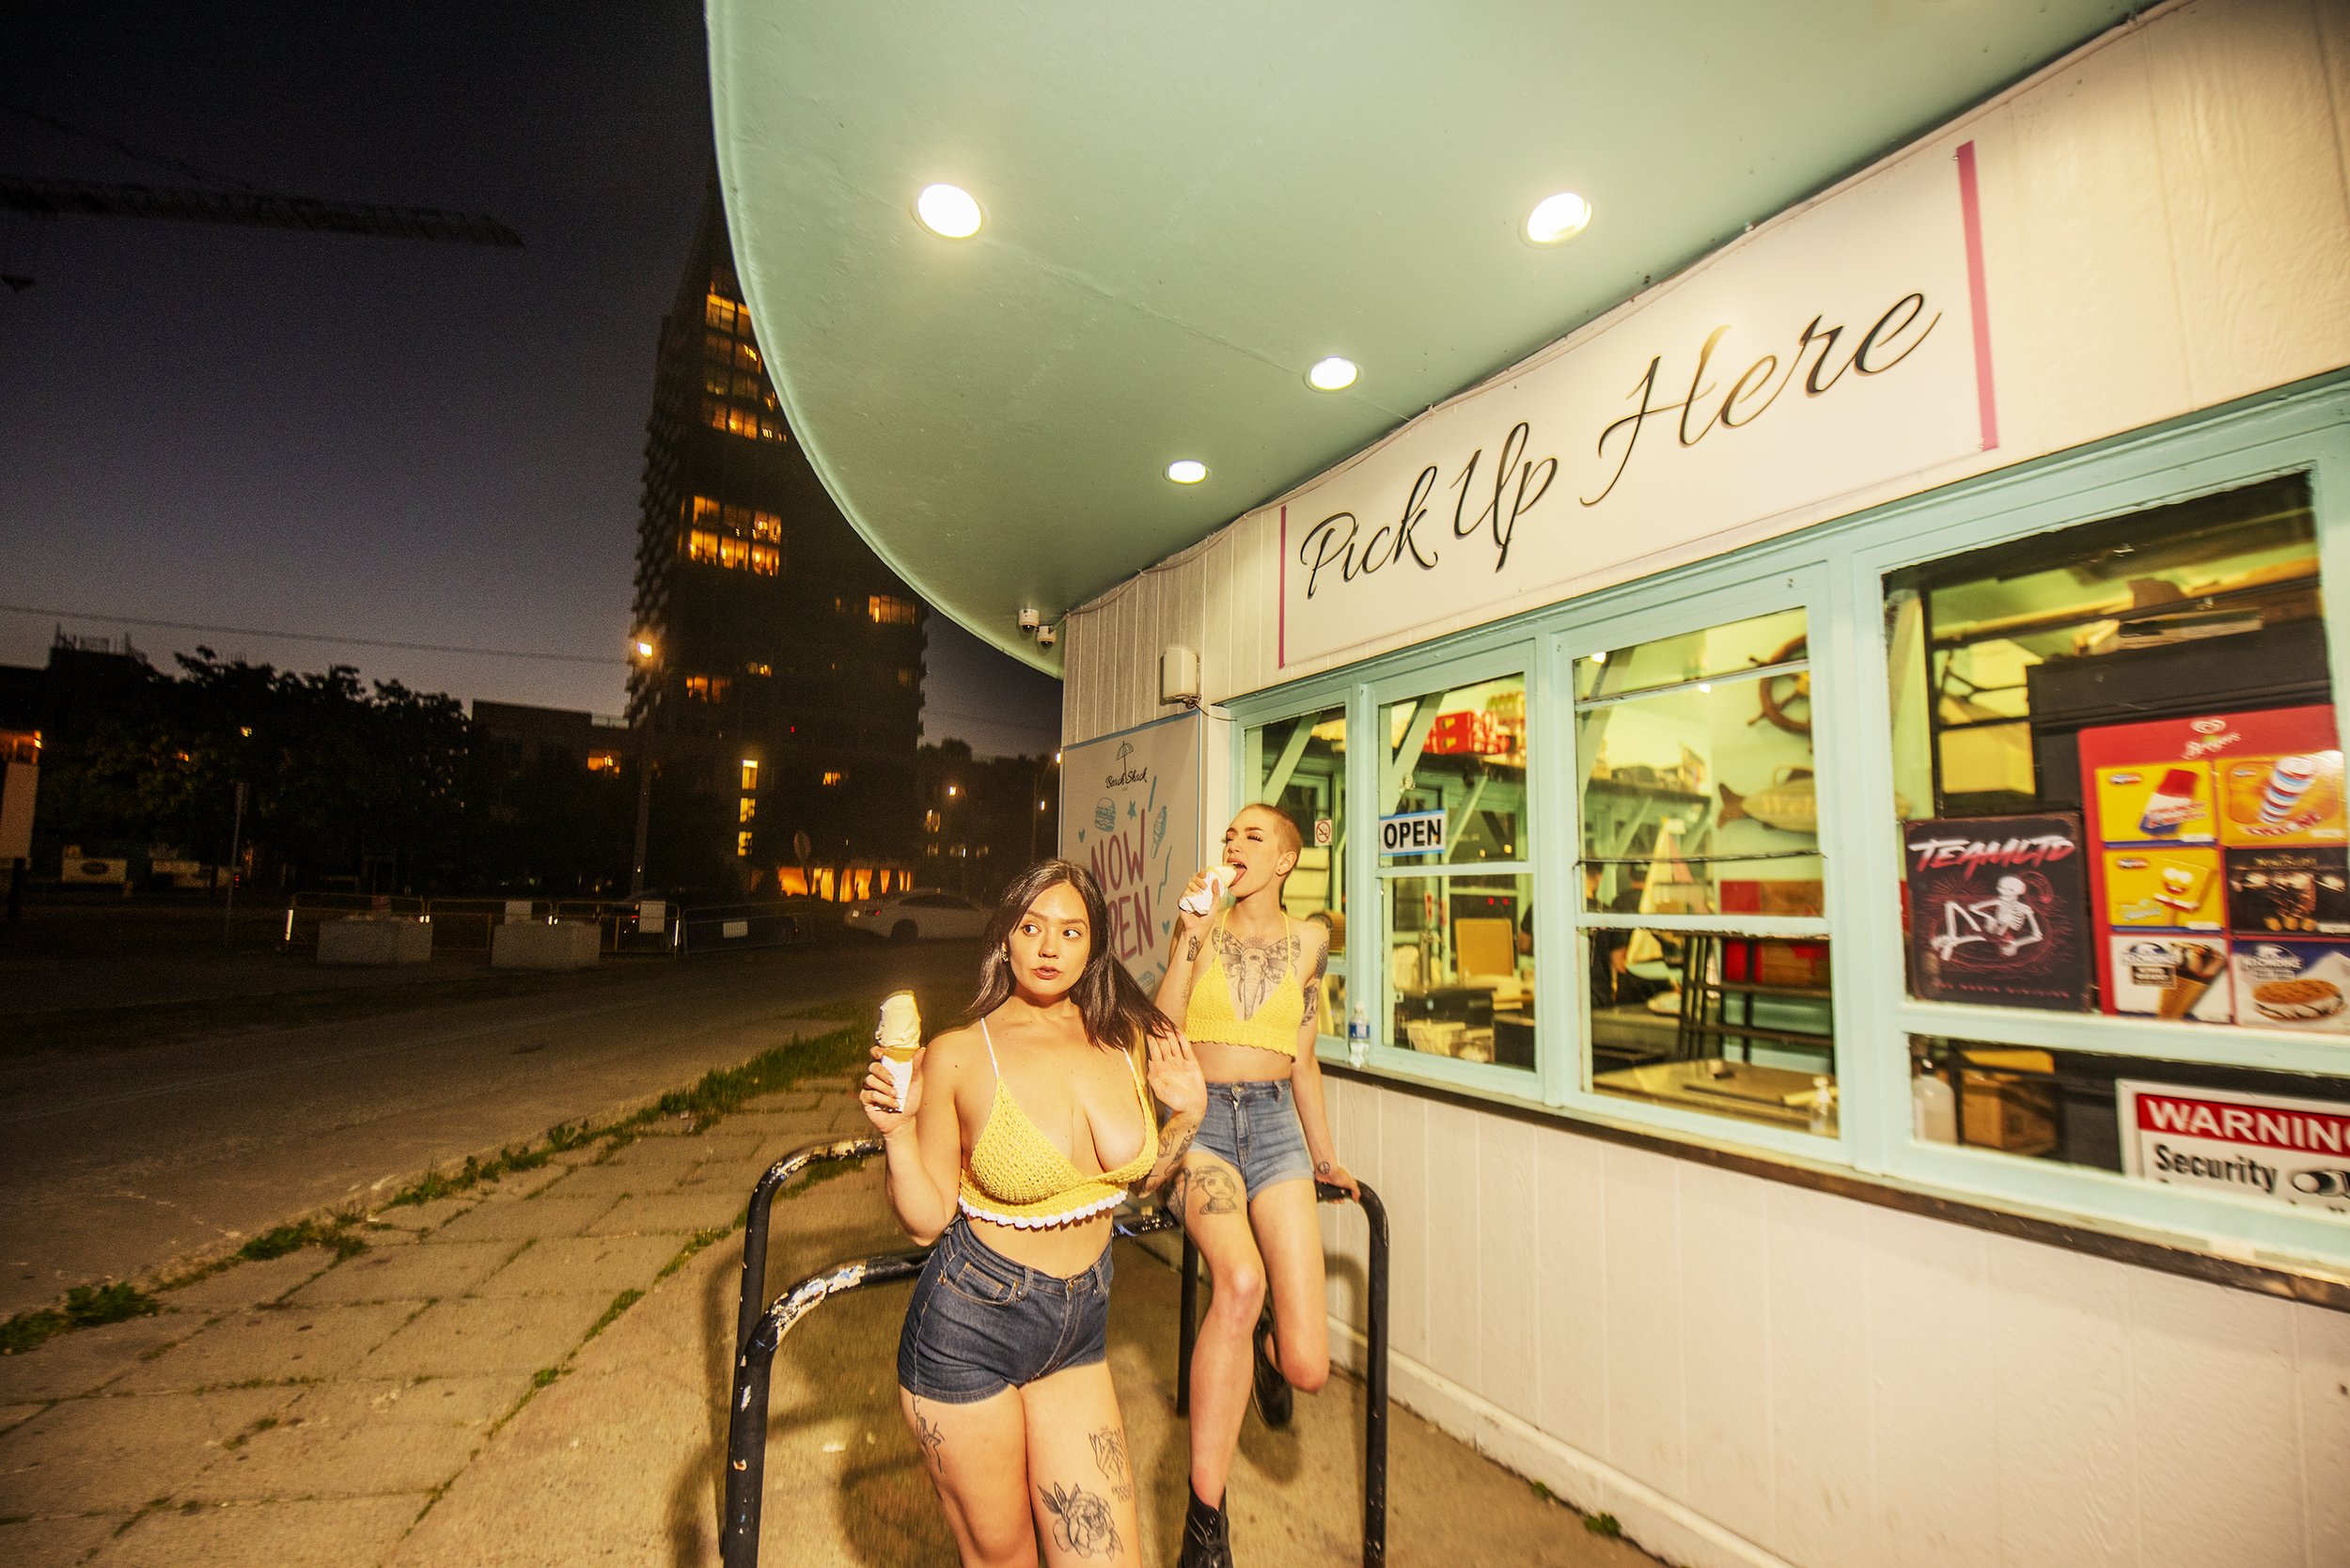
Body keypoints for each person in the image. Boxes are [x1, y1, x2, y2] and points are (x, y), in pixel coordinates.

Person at [862, 859, 1207, 1568]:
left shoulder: (1121, 1041)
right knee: (1004, 1557)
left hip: (1080, 1331)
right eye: (1032, 927)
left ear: (1093, 947)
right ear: (1005, 940)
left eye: (1071, 931)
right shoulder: (960, 1054)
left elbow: (1141, 1183)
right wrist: (897, 1133)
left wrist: (1190, 1114)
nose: (1050, 948)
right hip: (969, 1332)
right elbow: (926, 1221)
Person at [1155, 805, 1355, 1568]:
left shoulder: (1311, 941)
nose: (1235, 844)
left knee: (1307, 1366)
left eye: (1253, 836)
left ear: (1284, 861)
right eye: (1229, 834)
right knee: (1236, 1282)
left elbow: (1303, 1055)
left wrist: (1326, 1155)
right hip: (1201, 1124)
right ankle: (1205, 1523)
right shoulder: (1198, 926)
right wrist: (1187, 938)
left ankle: (1265, 1354)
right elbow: (1162, 1023)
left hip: (1274, 1131)